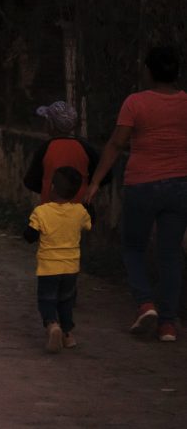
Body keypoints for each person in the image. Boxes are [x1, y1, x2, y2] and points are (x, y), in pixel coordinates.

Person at [86, 46, 187, 342]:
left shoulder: (135, 103)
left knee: (132, 248)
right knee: (171, 255)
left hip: (142, 184)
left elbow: (116, 145)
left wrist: (95, 182)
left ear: (149, 71)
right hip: (180, 186)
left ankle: (145, 304)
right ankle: (168, 324)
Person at [24, 167, 93, 353]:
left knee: (47, 300)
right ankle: (68, 335)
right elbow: (88, 225)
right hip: (71, 267)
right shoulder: (79, 211)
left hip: (49, 267)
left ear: (52, 187)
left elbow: (29, 236)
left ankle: (52, 325)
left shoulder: (41, 212)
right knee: (66, 301)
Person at [23, 101, 103, 203]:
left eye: (47, 120)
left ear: (52, 125)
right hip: (81, 211)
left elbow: (31, 181)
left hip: (51, 212)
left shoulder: (45, 148)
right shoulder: (86, 148)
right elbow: (101, 175)